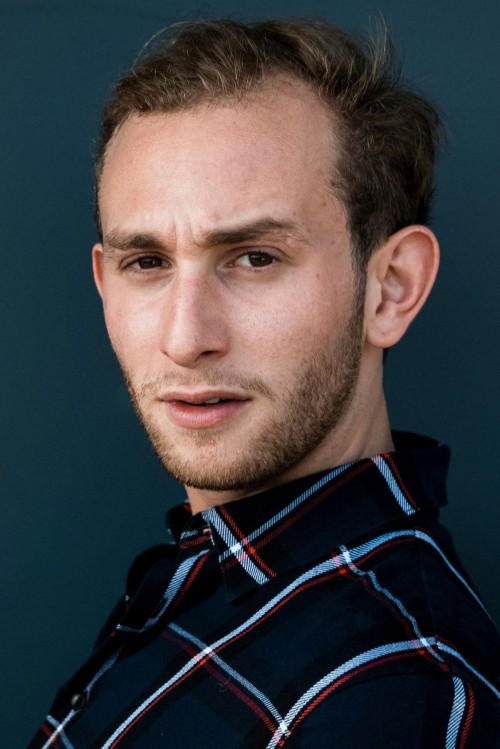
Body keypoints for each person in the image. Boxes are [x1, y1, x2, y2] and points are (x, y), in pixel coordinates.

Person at [29, 18, 499, 749]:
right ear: (103, 281)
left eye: (254, 258)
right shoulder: (210, 576)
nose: (185, 337)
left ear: (391, 288)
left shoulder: (396, 694)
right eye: (147, 263)